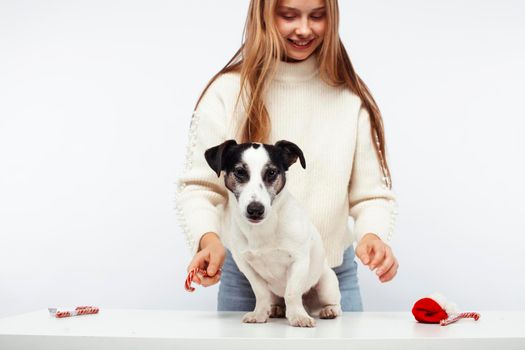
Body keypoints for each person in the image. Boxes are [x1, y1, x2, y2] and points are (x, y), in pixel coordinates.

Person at [174, 0, 399, 312]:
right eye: (289, 15)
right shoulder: (226, 91)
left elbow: (372, 194)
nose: (304, 28)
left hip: (329, 276)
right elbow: (199, 187)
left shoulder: (350, 98)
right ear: (263, 15)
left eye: (317, 16)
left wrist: (372, 234)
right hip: (248, 281)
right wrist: (207, 239)